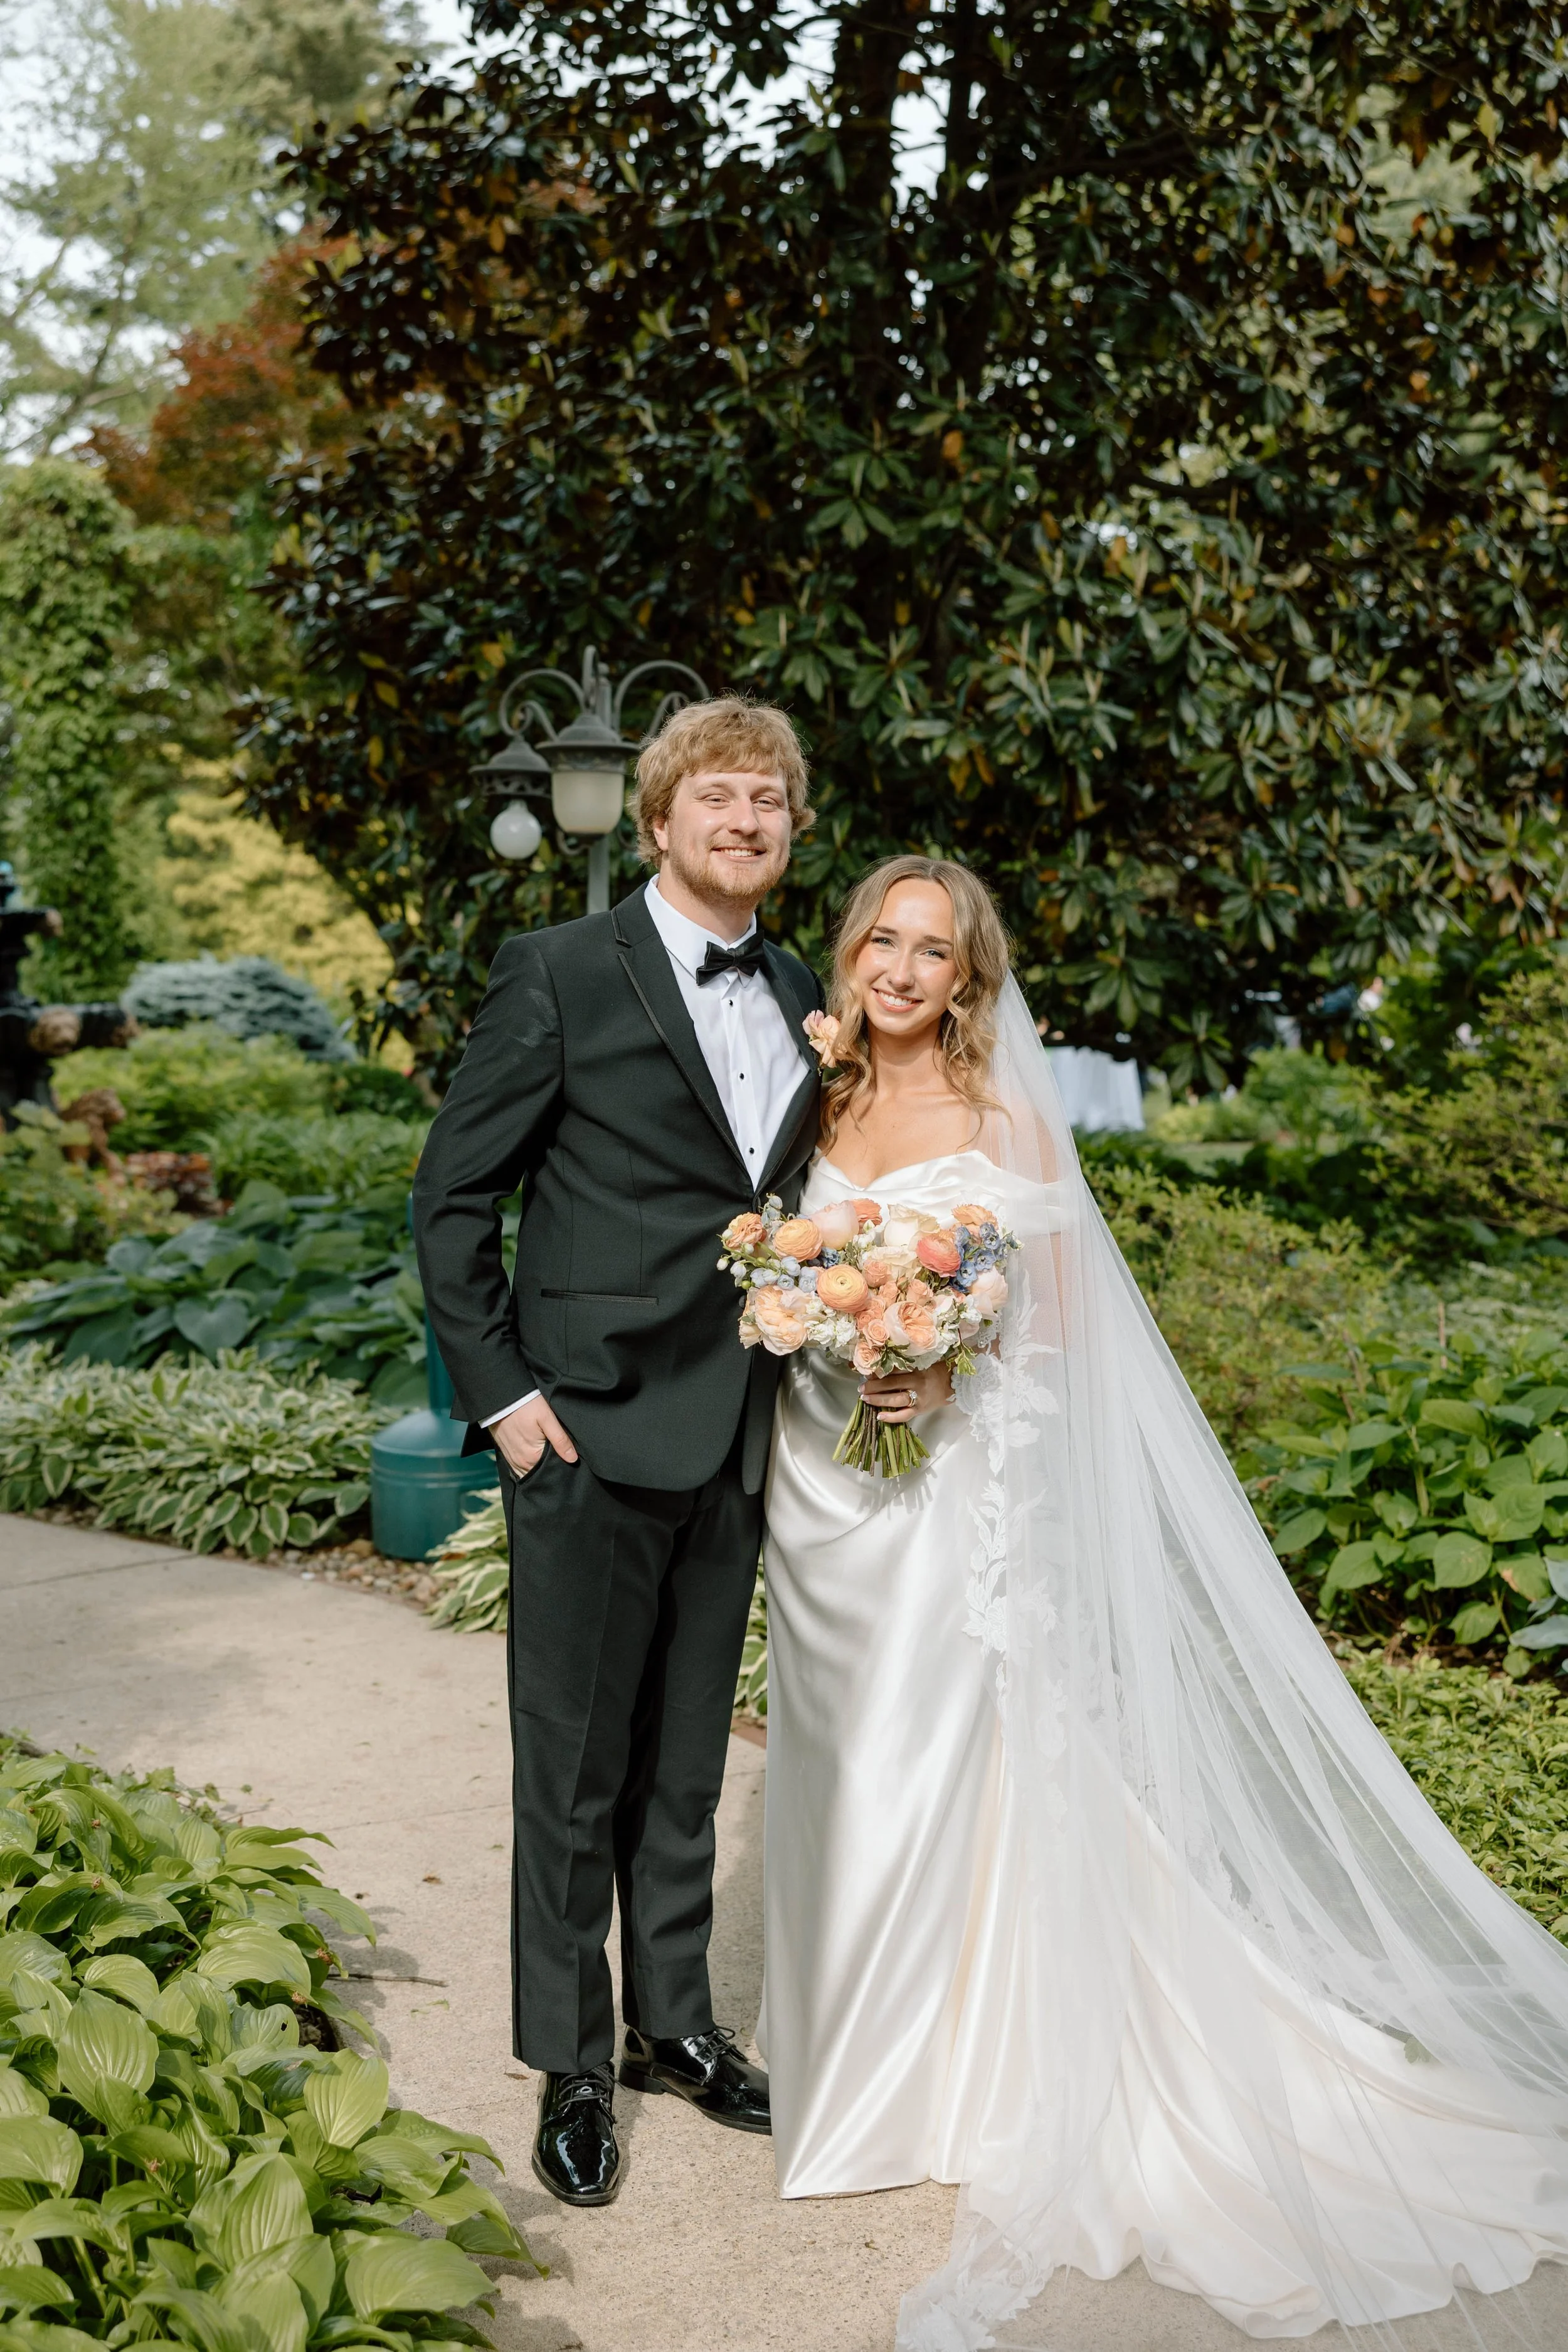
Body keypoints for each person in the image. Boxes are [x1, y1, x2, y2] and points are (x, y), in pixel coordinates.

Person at [760, 854, 1568, 2349]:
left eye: (931, 949)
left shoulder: (1002, 1109)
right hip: (825, 1503)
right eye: (880, 937)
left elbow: (1053, 1325)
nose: (899, 967)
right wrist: (825, 1322)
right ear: (852, 949)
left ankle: (947, 2086)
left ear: (965, 975)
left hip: (955, 1498)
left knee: (939, 1759)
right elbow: (788, 1266)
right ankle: (858, 2055)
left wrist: (943, 1359)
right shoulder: (814, 1101)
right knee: (836, 1766)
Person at [413, 696, 822, 2207]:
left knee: (685, 1770)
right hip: (578, 1430)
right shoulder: (559, 972)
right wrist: (506, 1401)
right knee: (571, 1773)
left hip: (734, 1434)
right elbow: (451, 1202)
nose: (743, 820)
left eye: (767, 801)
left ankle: (675, 2028)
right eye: (716, 797)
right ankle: (571, 2062)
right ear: (656, 821)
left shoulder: (798, 988)